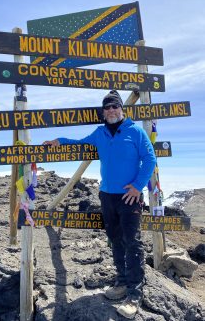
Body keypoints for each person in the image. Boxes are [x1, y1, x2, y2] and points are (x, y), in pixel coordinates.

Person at [43, 90, 156, 319]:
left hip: (130, 197)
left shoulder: (135, 131)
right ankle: (122, 282)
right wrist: (59, 141)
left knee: (133, 242)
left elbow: (150, 159)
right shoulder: (100, 132)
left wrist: (137, 186)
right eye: (107, 108)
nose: (111, 111)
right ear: (103, 112)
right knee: (115, 238)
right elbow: (81, 143)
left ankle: (135, 294)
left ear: (121, 109)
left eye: (115, 107)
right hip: (107, 195)